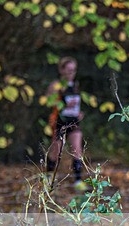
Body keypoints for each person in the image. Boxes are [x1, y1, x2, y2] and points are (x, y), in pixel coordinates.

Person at [45, 56, 85, 186]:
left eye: (74, 70)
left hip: (74, 122)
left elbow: (78, 104)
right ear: (61, 70)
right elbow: (47, 102)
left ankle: (78, 181)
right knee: (56, 151)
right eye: (69, 70)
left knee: (77, 150)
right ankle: (49, 178)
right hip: (59, 122)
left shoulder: (76, 86)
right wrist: (62, 105)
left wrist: (80, 113)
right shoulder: (55, 85)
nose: (71, 73)